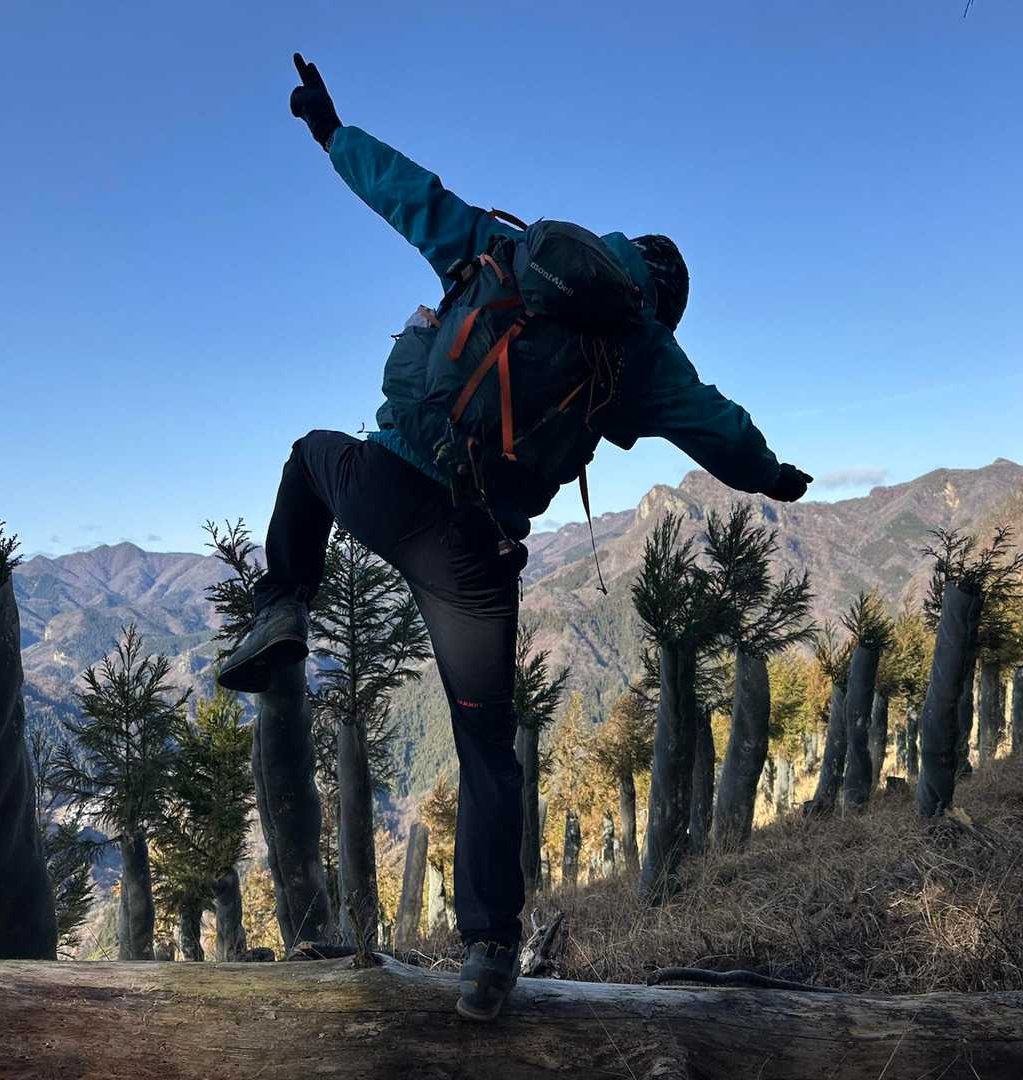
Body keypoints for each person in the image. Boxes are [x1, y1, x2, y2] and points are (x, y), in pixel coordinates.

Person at [218, 53, 812, 1021]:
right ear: (660, 301)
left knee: (307, 456)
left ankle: (283, 606)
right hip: (473, 556)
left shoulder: (506, 251)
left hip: (385, 490)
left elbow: (408, 193)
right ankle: (491, 951)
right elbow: (722, 433)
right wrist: (774, 476)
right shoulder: (645, 352)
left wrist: (331, 131)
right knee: (487, 750)